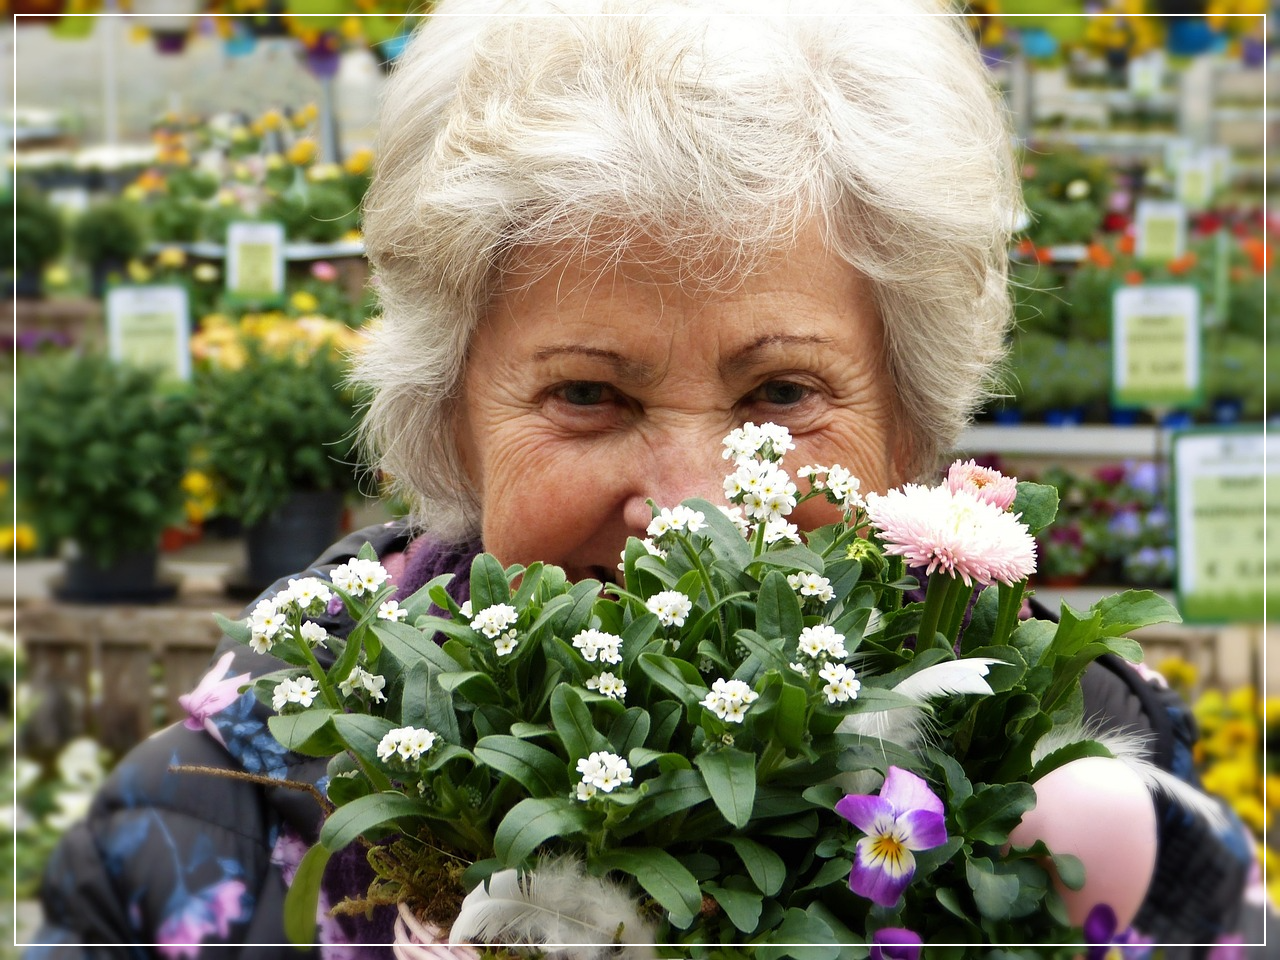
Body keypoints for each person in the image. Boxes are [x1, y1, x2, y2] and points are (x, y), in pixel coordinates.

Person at [32, 0, 1254, 955]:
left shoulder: (1076, 775)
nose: (687, 512)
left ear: (909, 427)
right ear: (449, 418)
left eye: (780, 393)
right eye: (586, 395)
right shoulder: (199, 825)